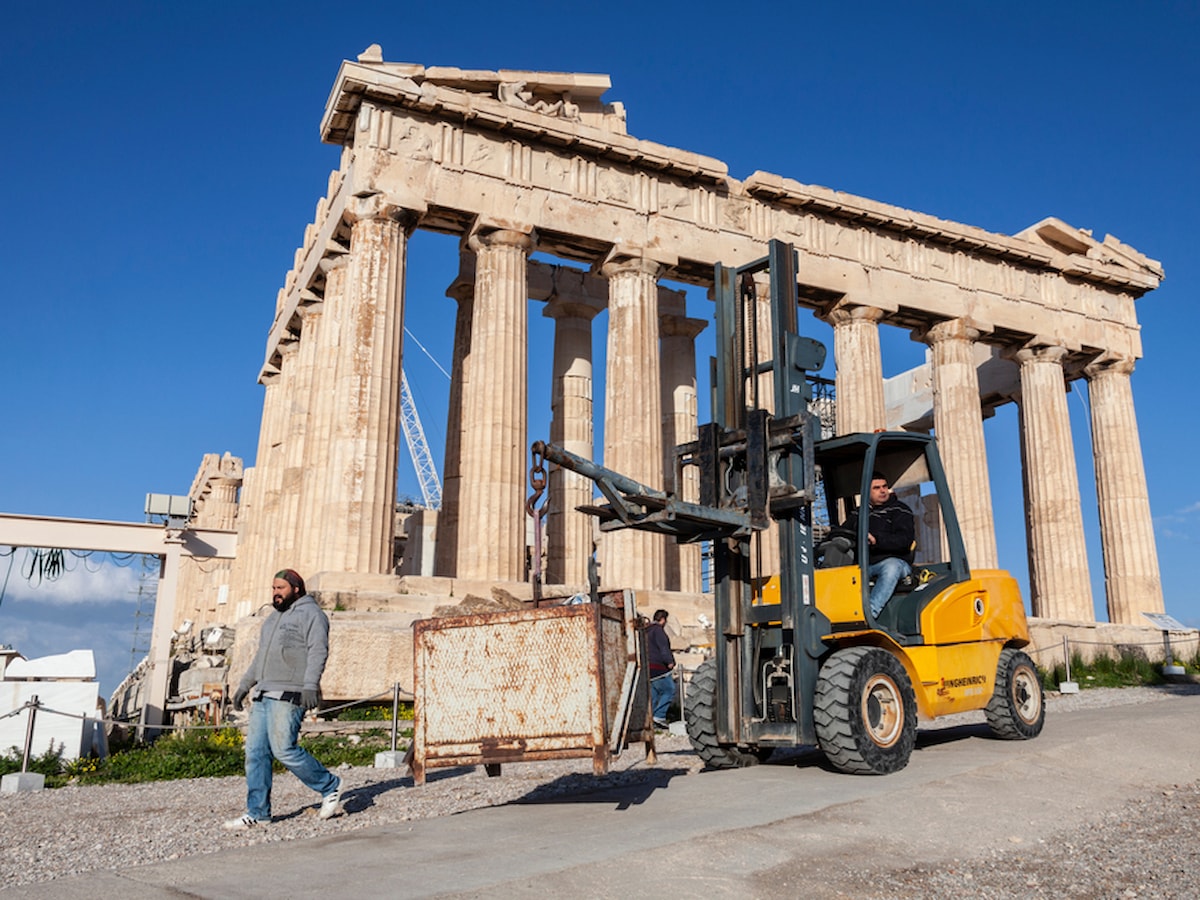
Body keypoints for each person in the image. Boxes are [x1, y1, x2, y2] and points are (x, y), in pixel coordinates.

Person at [223, 568, 343, 829]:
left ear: (296, 589)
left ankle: (330, 785)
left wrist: (311, 685)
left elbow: (318, 651)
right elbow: (260, 656)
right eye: (274, 589)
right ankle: (258, 812)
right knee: (255, 754)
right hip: (264, 693)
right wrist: (245, 684)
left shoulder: (312, 615)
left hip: (290, 693)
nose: (275, 593)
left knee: (284, 750)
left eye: (281, 588)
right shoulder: (271, 619)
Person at [843, 473, 916, 619]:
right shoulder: (858, 514)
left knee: (891, 567)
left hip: (896, 562)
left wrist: (877, 540)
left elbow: (904, 540)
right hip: (864, 565)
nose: (883, 491)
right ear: (866, 492)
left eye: (884, 487)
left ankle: (869, 613)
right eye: (877, 488)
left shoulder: (900, 510)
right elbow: (842, 532)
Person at [646, 609, 676, 728]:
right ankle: (659, 716)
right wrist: (670, 661)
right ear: (663, 620)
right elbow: (663, 648)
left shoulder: (646, 631)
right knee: (669, 690)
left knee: (654, 694)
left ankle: (650, 720)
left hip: (648, 667)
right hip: (659, 667)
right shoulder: (658, 631)